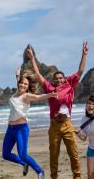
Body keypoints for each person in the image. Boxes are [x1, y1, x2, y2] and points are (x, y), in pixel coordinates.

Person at [27, 42, 89, 179]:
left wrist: (84, 54)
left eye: (61, 78)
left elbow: (80, 71)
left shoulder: (70, 84)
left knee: (74, 154)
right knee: (53, 156)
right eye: (56, 79)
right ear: (53, 81)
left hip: (67, 125)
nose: (59, 80)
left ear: (64, 78)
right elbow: (38, 75)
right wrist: (32, 58)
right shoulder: (49, 88)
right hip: (54, 126)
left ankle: (77, 177)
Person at [2, 69, 57, 179]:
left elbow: (39, 97)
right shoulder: (15, 94)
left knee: (23, 154)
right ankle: (24, 164)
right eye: (21, 82)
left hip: (21, 129)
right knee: (6, 154)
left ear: (28, 86)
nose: (22, 85)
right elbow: (19, 82)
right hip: (10, 129)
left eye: (25, 84)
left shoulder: (26, 96)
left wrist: (50, 95)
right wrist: (17, 75)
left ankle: (39, 171)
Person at [76, 95, 94, 179]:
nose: (90, 105)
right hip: (91, 149)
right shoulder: (84, 119)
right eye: (89, 103)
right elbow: (84, 138)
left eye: (93, 104)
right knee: (90, 174)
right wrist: (79, 134)